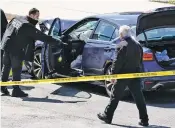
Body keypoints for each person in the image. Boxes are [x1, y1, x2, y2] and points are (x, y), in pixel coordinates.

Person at [1, 8, 63, 97]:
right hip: (16, 49)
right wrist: (58, 42)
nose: (38, 18)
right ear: (31, 15)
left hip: (6, 46)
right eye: (37, 16)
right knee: (16, 69)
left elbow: (8, 28)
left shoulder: (17, 18)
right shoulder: (27, 26)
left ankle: (3, 87)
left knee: (6, 67)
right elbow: (42, 37)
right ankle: (16, 90)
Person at [97, 25, 149, 127]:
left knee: (115, 96)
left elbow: (117, 62)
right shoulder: (138, 45)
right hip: (135, 74)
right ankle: (144, 120)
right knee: (139, 98)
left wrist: (113, 75)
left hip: (122, 75)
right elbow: (140, 61)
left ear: (121, 35)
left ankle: (107, 116)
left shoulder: (121, 44)